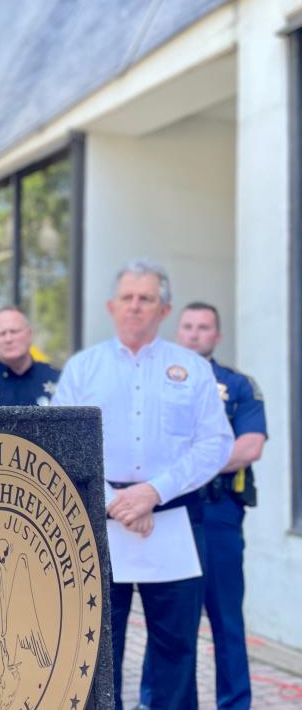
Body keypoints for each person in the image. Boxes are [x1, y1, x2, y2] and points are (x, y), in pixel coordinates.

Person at [51, 260, 232, 710]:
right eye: (128, 298)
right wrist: (115, 502)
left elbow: (216, 443)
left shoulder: (191, 369)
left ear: (164, 308)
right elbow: (61, 441)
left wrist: (152, 493)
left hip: (171, 519)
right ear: (112, 306)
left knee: (175, 651)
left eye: (146, 298)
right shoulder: (83, 368)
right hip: (99, 520)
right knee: (96, 649)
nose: (136, 307)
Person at [138, 301, 266, 710]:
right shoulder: (154, 382)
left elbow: (250, 445)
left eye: (204, 327)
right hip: (170, 514)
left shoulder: (239, 385)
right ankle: (153, 701)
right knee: (168, 622)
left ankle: (235, 704)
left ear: (218, 336)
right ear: (178, 332)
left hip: (219, 515)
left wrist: (193, 464)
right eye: (188, 326)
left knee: (226, 620)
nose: (194, 333)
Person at [0, 307, 60, 405]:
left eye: (14, 331)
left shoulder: (56, 378)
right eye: (2, 334)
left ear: (29, 334)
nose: (8, 339)